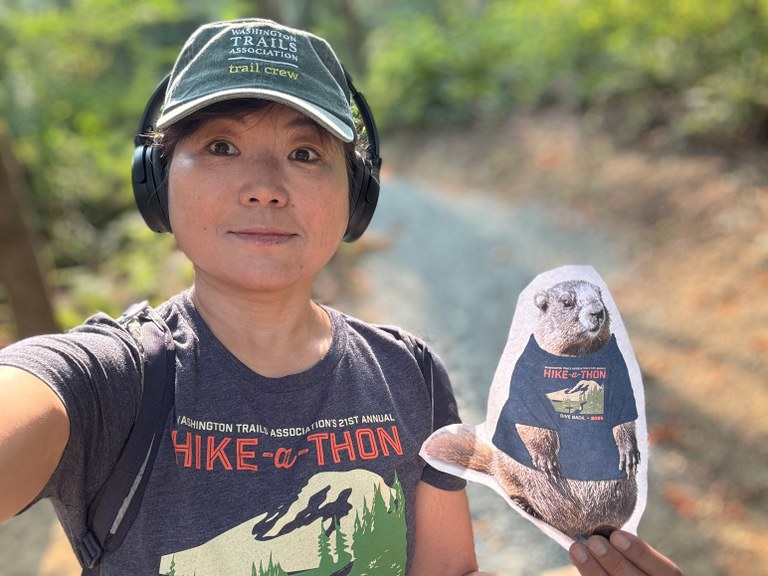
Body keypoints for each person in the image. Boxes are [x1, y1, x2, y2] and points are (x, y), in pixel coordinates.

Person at [0, 18, 682, 576]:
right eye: (219, 145)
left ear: (355, 198)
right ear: (156, 181)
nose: (264, 185)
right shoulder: (107, 381)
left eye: (305, 154)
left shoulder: (407, 373)